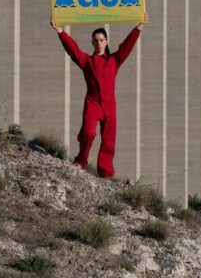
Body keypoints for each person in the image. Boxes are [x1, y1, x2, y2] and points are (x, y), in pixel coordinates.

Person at [50, 12, 148, 178]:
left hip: (110, 105)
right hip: (93, 103)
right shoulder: (87, 61)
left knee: (109, 140)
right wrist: (59, 30)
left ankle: (105, 173)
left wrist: (139, 26)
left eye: (102, 40)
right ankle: (81, 161)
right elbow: (73, 50)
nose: (99, 43)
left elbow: (127, 46)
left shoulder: (114, 60)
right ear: (92, 43)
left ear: (106, 42)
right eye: (96, 40)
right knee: (88, 132)